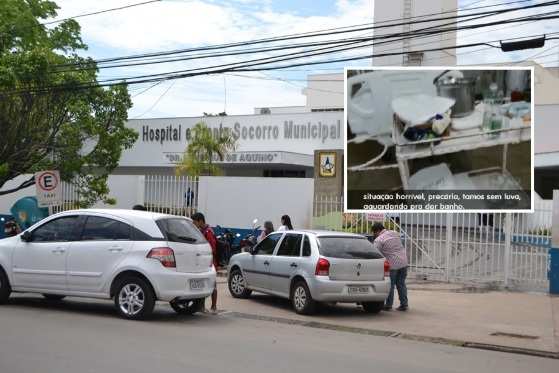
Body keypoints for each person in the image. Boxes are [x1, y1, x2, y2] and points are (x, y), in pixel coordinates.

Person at [372, 222, 408, 311]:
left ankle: (388, 305)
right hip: (403, 262)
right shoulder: (394, 232)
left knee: (390, 285)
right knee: (401, 284)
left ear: (377, 231)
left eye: (374, 232)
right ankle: (404, 304)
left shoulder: (379, 240)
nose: (373, 234)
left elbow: (375, 253)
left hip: (393, 265)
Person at [191, 212, 218, 313]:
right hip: (202, 262)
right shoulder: (201, 231)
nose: (194, 225)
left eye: (195, 222)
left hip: (210, 262)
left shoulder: (208, 232)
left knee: (213, 284)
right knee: (202, 284)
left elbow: (212, 248)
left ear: (200, 221)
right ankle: (201, 307)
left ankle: (214, 307)